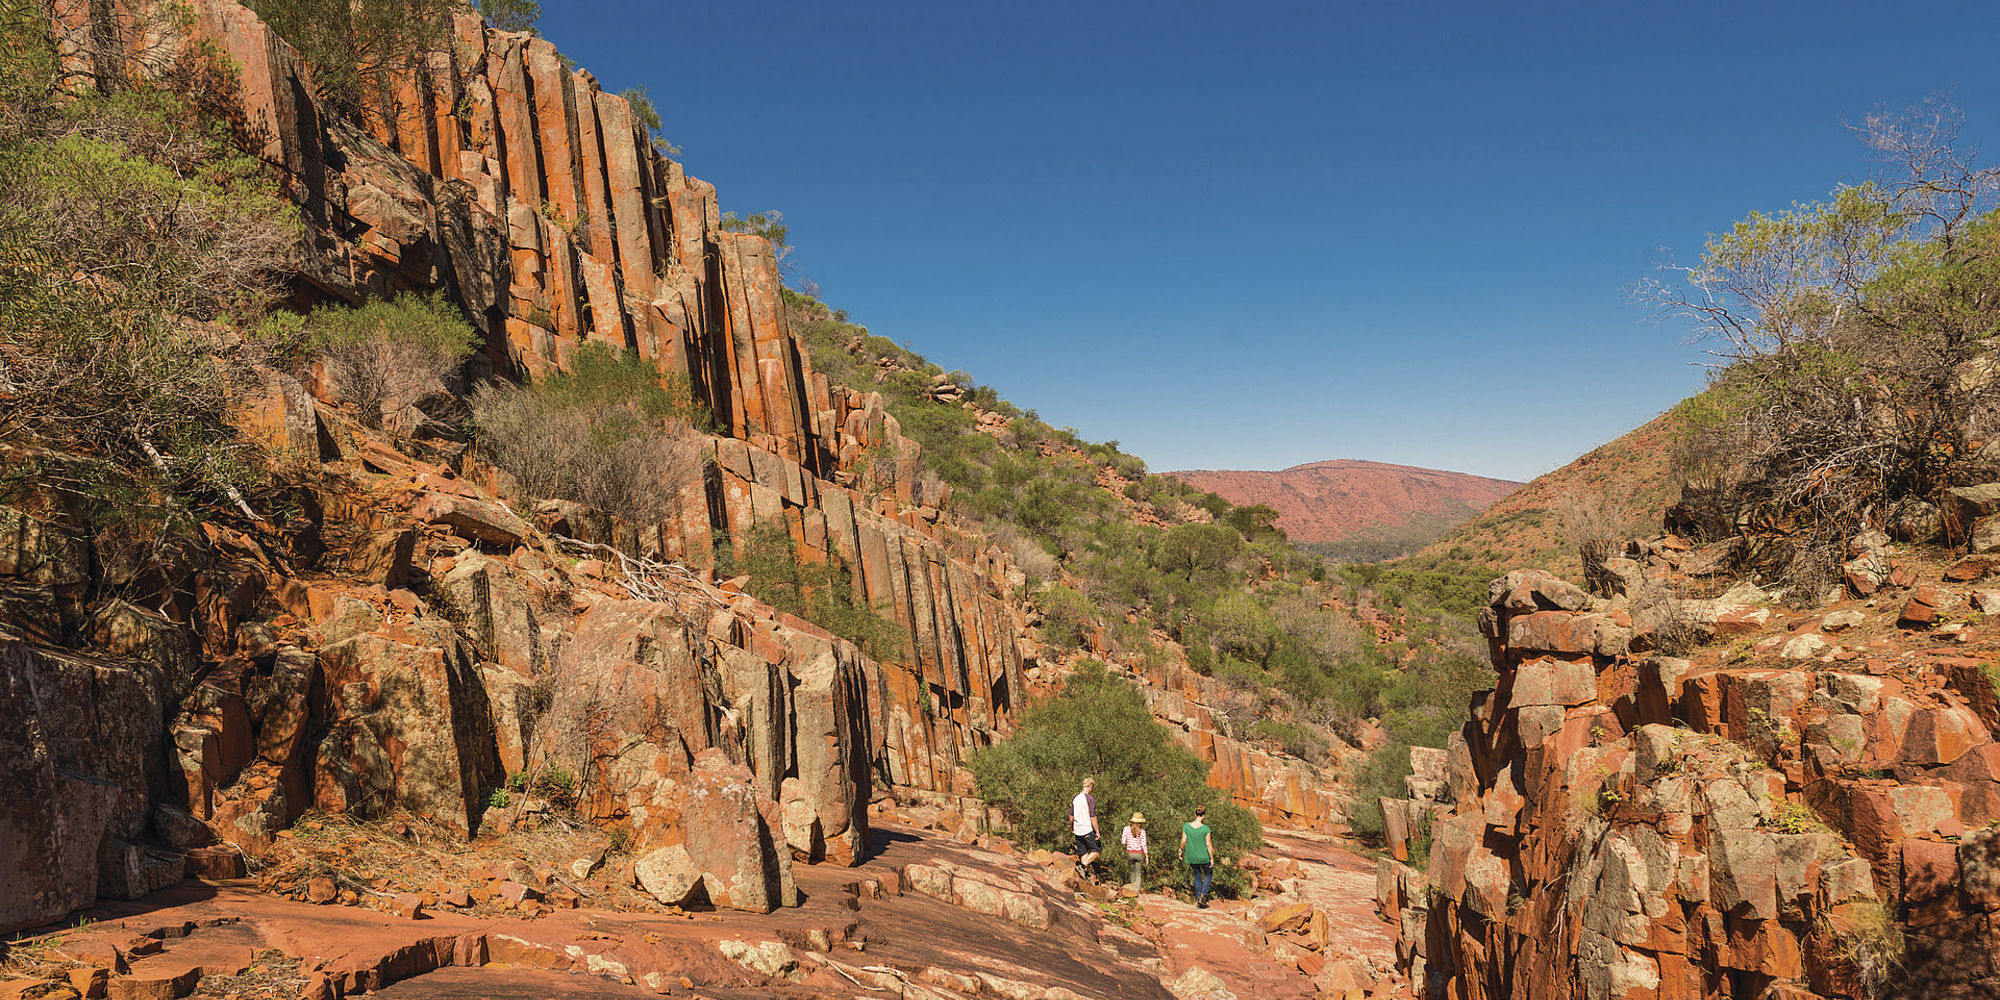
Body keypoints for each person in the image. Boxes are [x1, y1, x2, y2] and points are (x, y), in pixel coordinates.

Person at [1180, 805, 1213, 908]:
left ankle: (1198, 897)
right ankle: (1203, 896)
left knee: (1197, 876)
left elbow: (1183, 841)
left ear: (1195, 814)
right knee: (1208, 875)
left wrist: (1181, 850)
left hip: (1192, 856)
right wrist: (1212, 858)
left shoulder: (1186, 826)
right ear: (1203, 816)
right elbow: (1208, 845)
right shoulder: (1206, 829)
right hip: (1204, 857)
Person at [1071, 777, 1101, 881]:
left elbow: (1071, 815)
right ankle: (1082, 866)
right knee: (1097, 850)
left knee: (1083, 852)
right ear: (1090, 787)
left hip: (1077, 829)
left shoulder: (1075, 798)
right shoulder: (1090, 799)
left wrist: (1072, 827)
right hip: (1087, 829)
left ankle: (1083, 876)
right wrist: (1097, 831)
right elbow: (1093, 816)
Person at [1120, 812, 1149, 889]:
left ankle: (1132, 890)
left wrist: (1128, 842)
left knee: (1132, 873)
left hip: (1130, 853)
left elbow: (1123, 842)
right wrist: (1146, 856)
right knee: (1138, 874)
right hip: (1139, 854)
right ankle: (1137, 890)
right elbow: (1144, 845)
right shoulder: (1142, 832)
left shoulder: (1126, 829)